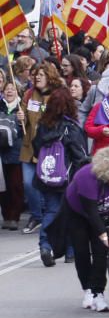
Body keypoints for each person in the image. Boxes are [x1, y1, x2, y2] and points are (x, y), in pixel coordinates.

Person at [65, 144, 109, 313]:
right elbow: (91, 213)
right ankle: (88, 290)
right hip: (78, 212)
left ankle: (99, 292)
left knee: (102, 253)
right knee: (82, 250)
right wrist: (104, 236)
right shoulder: (87, 176)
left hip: (105, 211)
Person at [34, 87, 88, 266]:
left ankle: (45, 245)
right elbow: (80, 155)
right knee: (72, 212)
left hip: (46, 176)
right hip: (67, 177)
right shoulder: (71, 127)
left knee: (50, 210)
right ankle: (71, 251)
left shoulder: (42, 126)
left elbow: (36, 148)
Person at [20, 62, 63, 235]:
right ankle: (37, 216)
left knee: (47, 183)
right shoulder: (30, 94)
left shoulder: (57, 96)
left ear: (50, 77)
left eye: (41, 74)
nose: (37, 77)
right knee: (28, 184)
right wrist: (21, 116)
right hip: (29, 147)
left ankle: (49, 216)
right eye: (35, 74)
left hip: (48, 148)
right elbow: (23, 116)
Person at [0, 81, 24, 230]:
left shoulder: (22, 108)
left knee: (15, 186)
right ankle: (6, 215)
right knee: (2, 187)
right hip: (1, 153)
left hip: (16, 152)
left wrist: (23, 120)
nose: (9, 91)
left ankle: (15, 217)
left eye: (13, 89)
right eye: (7, 89)